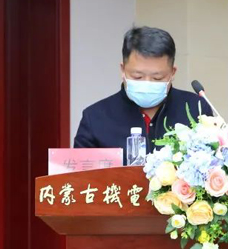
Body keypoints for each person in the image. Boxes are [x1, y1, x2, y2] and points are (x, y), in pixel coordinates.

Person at [74, 26, 212, 160]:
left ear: (172, 72)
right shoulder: (95, 117)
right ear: (123, 69)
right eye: (137, 77)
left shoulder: (197, 110)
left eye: (157, 78)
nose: (147, 83)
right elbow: (80, 172)